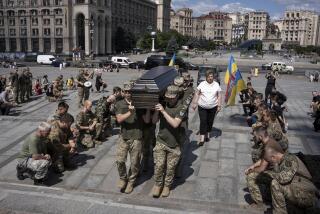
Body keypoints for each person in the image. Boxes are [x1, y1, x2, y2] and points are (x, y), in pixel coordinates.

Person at [151, 85, 187, 197]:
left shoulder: (182, 108)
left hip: (175, 143)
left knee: (170, 168)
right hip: (161, 140)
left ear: (177, 96)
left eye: (172, 97)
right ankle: (157, 185)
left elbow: (175, 124)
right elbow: (153, 121)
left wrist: (163, 111)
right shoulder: (163, 105)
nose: (169, 99)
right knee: (159, 165)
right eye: (168, 97)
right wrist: (157, 111)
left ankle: (167, 186)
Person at [264, 143, 318, 213]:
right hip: (300, 191)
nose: (269, 163)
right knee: (272, 180)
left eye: (269, 161)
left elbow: (284, 178)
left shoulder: (290, 159)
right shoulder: (281, 161)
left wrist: (268, 173)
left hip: (307, 195)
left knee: (275, 183)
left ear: (273, 157)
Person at [114, 82, 148, 194]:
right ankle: (123, 178)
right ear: (123, 92)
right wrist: (130, 112)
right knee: (119, 160)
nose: (128, 94)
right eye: (126, 92)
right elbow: (119, 119)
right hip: (124, 136)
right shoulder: (119, 104)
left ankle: (131, 182)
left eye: (130, 92)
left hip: (137, 137)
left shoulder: (140, 103)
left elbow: (147, 120)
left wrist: (147, 108)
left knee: (135, 163)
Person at [192, 70, 222, 146]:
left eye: (211, 76)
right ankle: (202, 138)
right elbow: (197, 94)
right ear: (206, 77)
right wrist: (195, 103)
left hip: (213, 106)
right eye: (209, 77)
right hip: (202, 106)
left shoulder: (216, 85)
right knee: (203, 121)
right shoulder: (202, 84)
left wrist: (219, 105)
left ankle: (207, 134)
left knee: (210, 121)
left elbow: (219, 95)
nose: (210, 78)